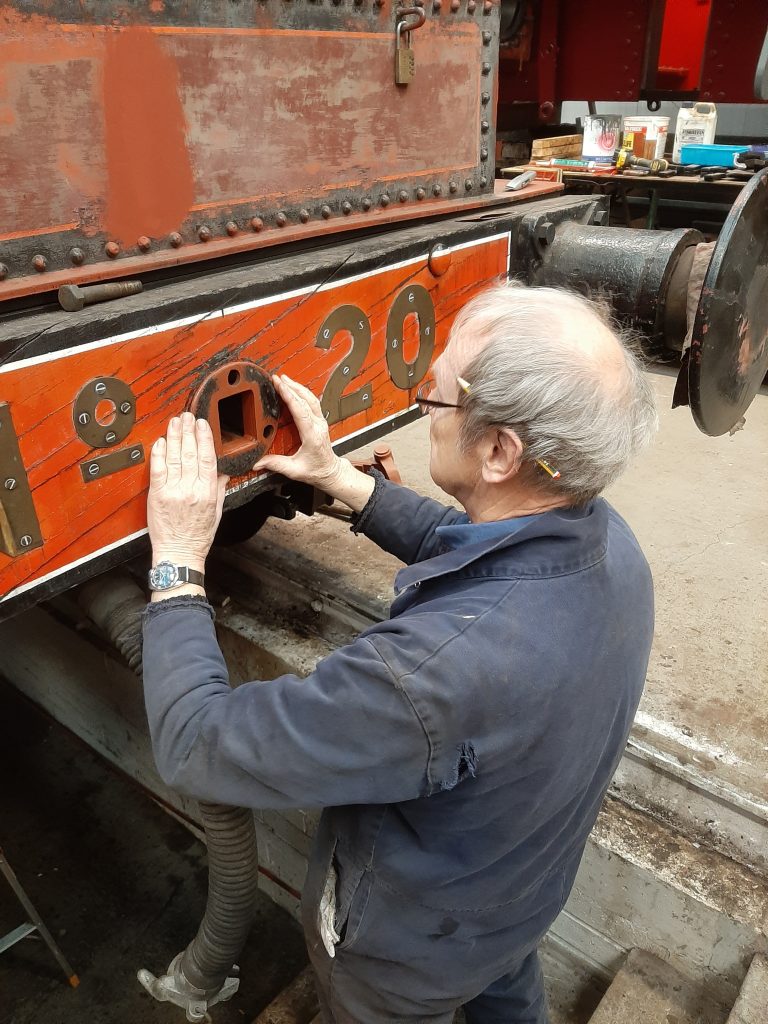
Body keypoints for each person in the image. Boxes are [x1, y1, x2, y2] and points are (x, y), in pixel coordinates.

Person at [142, 281, 658, 1024]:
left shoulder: (427, 676)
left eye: (439, 398)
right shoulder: (612, 547)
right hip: (516, 907)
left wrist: (180, 561)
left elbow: (195, 746)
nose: (423, 405)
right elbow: (486, 551)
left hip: (404, 962)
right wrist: (347, 484)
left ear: (500, 449)